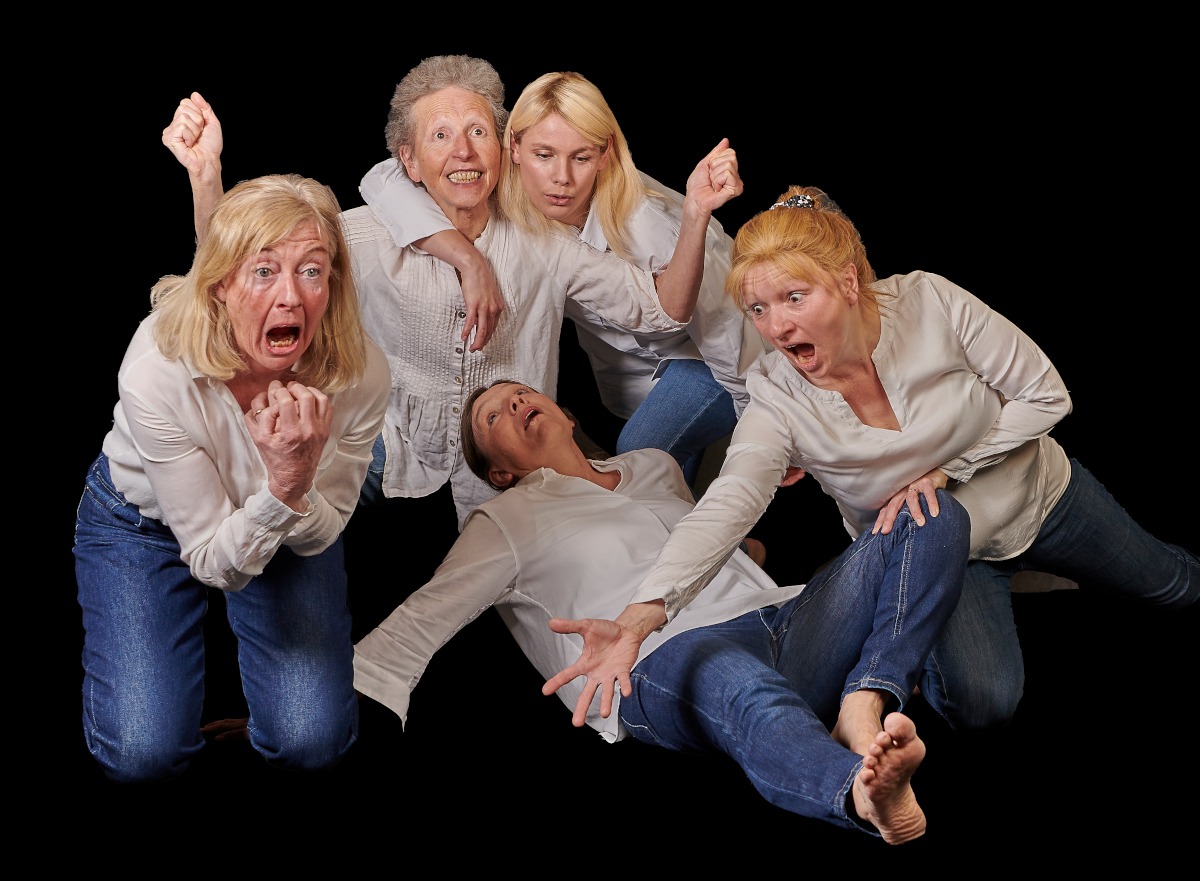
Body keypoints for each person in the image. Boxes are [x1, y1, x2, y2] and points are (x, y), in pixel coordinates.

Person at [599, 185, 1199, 732]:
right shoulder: (774, 395)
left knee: (1175, 587)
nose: (776, 326)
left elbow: (1047, 395)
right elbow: (730, 501)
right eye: (758, 309)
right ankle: (919, 634)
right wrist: (643, 613)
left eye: (794, 297)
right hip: (947, 559)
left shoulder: (929, 301)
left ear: (847, 283)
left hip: (1043, 498)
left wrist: (948, 470)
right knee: (982, 704)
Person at [352, 379, 971, 844]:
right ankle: (858, 793)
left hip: (779, 617)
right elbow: (419, 620)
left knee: (930, 513)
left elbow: (697, 541)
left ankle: (866, 696)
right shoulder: (503, 521)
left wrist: (748, 552)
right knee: (741, 686)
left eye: (522, 394)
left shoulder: (654, 466)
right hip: (653, 658)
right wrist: (331, 711)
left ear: (568, 415)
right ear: (499, 471)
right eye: (493, 416)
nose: (515, 404)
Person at [162, 56, 742, 534]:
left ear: (503, 150)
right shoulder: (365, 236)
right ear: (409, 163)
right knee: (272, 504)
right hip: (389, 446)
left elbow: (661, 310)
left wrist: (695, 213)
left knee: (578, 556)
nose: (463, 151)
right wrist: (205, 178)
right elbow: (239, 272)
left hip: (513, 463)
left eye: (477, 132)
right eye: (440, 136)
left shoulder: (547, 244)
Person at [74, 174, 391, 783]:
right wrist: (285, 485)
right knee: (142, 754)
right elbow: (212, 561)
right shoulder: (157, 370)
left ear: (333, 284)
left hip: (289, 524)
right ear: (220, 284)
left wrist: (290, 486)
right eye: (264, 271)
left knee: (311, 741)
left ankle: (268, 714)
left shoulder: (361, 374)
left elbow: (324, 530)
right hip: (144, 523)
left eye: (312, 271)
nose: (291, 297)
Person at [359, 70, 766, 489]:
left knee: (642, 457)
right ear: (514, 148)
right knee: (671, 492)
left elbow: (728, 329)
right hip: (637, 384)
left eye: (581, 157)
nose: (562, 178)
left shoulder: (646, 223)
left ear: (604, 154)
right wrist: (469, 260)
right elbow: (384, 179)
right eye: (544, 154)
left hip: (718, 366)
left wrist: (765, 430)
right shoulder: (505, 185)